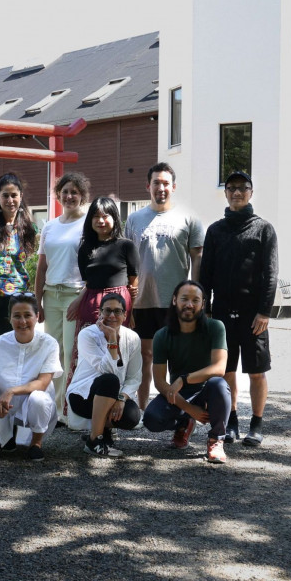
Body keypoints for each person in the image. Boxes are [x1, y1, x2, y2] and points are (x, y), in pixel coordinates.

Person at [200, 171, 278, 447]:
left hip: (254, 315)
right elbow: (205, 274)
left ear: (251, 192)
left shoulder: (264, 228)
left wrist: (265, 312)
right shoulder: (215, 230)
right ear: (225, 193)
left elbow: (270, 274)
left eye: (242, 188)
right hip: (221, 313)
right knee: (226, 370)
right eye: (231, 188)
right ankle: (230, 421)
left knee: (256, 371)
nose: (236, 192)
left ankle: (256, 424)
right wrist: (205, 310)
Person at [124, 162, 204, 411]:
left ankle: (179, 411)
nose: (161, 187)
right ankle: (142, 408)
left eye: (166, 183)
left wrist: (197, 295)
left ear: (174, 187)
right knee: (145, 357)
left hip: (176, 303)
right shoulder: (134, 219)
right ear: (148, 186)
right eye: (156, 182)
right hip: (142, 302)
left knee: (177, 360)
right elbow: (127, 259)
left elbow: (197, 258)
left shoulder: (188, 218)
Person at [143, 281, 231, 464]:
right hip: (180, 394)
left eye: (195, 300)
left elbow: (219, 368)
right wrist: (189, 409)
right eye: (184, 299)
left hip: (208, 390)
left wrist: (184, 379)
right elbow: (159, 382)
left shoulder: (216, 327)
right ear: (175, 300)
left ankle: (216, 440)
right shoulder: (162, 335)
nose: (189, 304)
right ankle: (184, 423)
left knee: (220, 385)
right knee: (152, 419)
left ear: (203, 304)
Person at [0, 293, 60, 461]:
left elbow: (42, 383)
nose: (22, 321)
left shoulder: (49, 343)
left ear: (37, 317)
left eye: (27, 315)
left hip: (33, 403)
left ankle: (36, 443)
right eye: (17, 316)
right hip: (3, 402)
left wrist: (11, 391)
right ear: (9, 319)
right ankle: (8, 433)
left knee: (39, 399)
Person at [66, 196, 139, 390]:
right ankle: (83, 401)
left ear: (114, 217)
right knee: (89, 353)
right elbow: (88, 282)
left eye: (105, 216)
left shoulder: (126, 245)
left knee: (119, 350)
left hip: (118, 303)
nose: (101, 220)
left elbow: (134, 281)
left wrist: (131, 312)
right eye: (96, 216)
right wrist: (78, 301)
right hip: (90, 303)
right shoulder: (85, 248)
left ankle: (118, 399)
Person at [35, 172, 89, 421]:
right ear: (58, 195)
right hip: (51, 294)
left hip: (74, 293)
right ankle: (56, 411)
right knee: (53, 353)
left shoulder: (88, 224)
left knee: (70, 352)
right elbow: (41, 267)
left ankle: (70, 410)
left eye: (74, 192)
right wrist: (38, 300)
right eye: (65, 192)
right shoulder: (50, 226)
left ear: (82, 196)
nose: (69, 196)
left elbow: (92, 266)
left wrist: (82, 297)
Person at [66, 293, 142, 457]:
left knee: (132, 416)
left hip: (114, 396)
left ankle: (102, 429)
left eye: (117, 311)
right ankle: (94, 440)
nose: (112, 315)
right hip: (83, 397)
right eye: (107, 311)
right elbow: (106, 370)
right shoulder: (87, 334)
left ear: (125, 314)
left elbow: (134, 377)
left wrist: (122, 399)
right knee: (110, 380)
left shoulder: (133, 338)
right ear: (100, 313)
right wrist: (112, 339)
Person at [0, 172, 37, 336]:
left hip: (16, 298)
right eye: (5, 195)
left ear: (21, 196)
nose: (10, 200)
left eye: (14, 195)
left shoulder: (29, 228)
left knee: (10, 345)